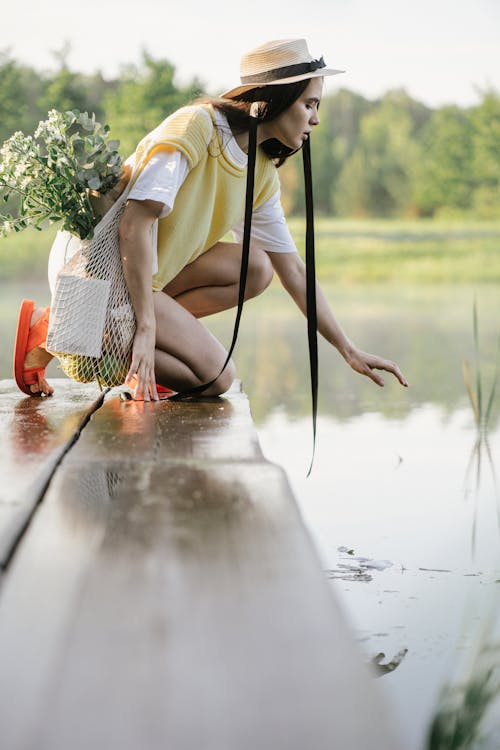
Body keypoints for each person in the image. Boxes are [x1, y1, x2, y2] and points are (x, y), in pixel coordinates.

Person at [14, 38, 408, 400]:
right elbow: (133, 225)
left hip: (150, 278)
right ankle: (67, 329)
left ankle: (122, 336)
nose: (315, 120)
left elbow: (296, 274)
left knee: (258, 267)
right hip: (98, 273)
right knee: (217, 377)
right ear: (273, 100)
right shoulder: (198, 127)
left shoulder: (262, 173)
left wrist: (347, 348)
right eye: (309, 104)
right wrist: (148, 329)